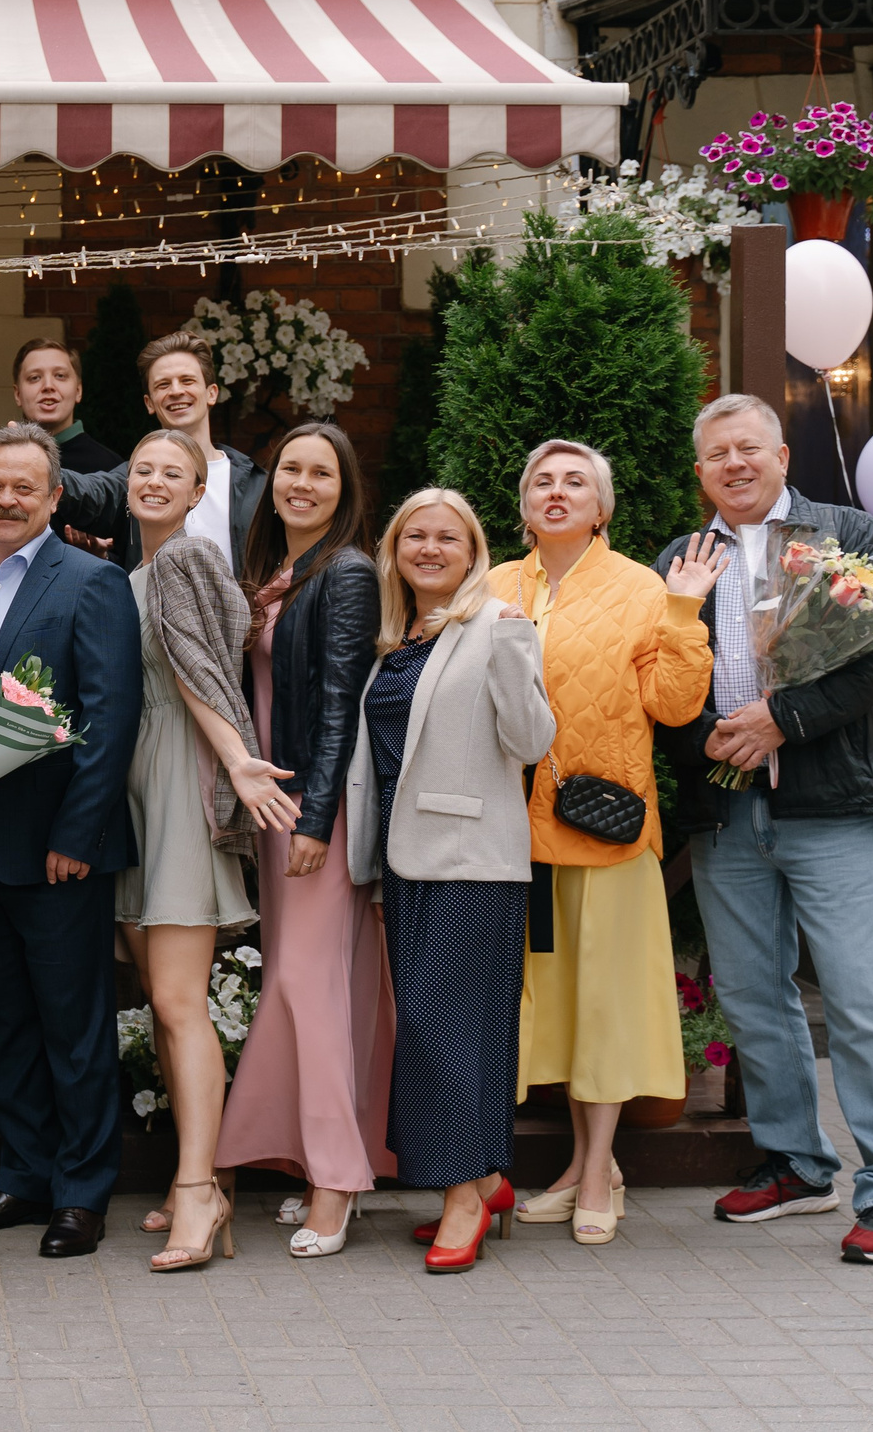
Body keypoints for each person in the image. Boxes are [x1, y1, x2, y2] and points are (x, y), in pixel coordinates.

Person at [657, 394, 873, 1266]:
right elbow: (659, 672)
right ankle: (799, 1166)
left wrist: (786, 719)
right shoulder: (681, 556)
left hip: (827, 802)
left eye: (749, 448)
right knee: (752, 998)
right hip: (728, 810)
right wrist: (707, 740)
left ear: (780, 454)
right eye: (716, 454)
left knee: (857, 997)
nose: (735, 464)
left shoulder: (848, 532)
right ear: (700, 472)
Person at [502, 440, 725, 1245]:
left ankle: (596, 1168)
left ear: (602, 509)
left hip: (605, 832)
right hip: (512, 840)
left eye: (575, 483)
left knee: (603, 1006)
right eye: (542, 481)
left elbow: (671, 705)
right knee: (552, 1008)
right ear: (523, 504)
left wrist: (683, 611)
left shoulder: (641, 587)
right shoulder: (493, 585)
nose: (556, 493)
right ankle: (580, 1163)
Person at [0, 424, 145, 1260]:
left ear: (55, 496)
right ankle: (21, 1179)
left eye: (25, 486)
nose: (6, 499)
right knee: (9, 1023)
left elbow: (108, 718)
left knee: (75, 1024)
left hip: (58, 850)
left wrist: (77, 833)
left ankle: (83, 1193)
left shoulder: (91, 582)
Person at [346, 488, 553, 1275]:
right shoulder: (396, 637)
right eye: (415, 537)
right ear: (395, 549)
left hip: (473, 861)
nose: (430, 549)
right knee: (429, 1031)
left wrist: (511, 647)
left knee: (446, 1031)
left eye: (448, 538)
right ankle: (483, 1180)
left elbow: (531, 739)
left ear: (474, 553)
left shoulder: (498, 626)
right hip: (404, 863)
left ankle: (464, 1197)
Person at [213, 423, 397, 1259]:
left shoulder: (349, 573)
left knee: (307, 987)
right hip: (279, 806)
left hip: (311, 813)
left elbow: (338, 706)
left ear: (344, 487)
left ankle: (334, 1184)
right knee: (327, 988)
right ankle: (325, 1155)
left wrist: (318, 819)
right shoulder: (282, 573)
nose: (302, 483)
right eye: (291, 468)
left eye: (321, 472)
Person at [114, 430, 289, 1274]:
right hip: (137, 785)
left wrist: (234, 758)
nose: (153, 482)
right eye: (142, 470)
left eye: (171, 475)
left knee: (180, 1000)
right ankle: (197, 1174)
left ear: (196, 495)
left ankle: (199, 1191)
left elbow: (195, 673)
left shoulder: (183, 562)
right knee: (161, 996)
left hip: (180, 779)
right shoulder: (135, 572)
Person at [55, 333, 265, 570]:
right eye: (163, 384)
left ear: (211, 393)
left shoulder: (255, 484)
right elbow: (85, 491)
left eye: (187, 380)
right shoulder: (135, 478)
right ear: (149, 403)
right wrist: (34, 465)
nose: (176, 391)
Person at [11, 337, 122, 473]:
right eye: (35, 377)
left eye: (60, 376)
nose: (48, 386)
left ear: (78, 391)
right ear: (18, 395)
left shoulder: (110, 468)